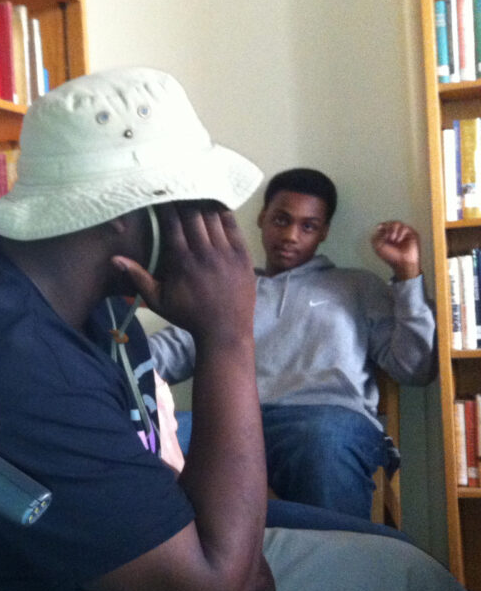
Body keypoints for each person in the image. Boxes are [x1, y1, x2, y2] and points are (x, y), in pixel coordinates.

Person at [0, 67, 480, 591]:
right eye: (200, 202)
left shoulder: (97, 304)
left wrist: (227, 557)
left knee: (406, 580)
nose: (221, 224)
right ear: (133, 216)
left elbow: (177, 510)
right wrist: (227, 335)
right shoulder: (11, 352)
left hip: (108, 565)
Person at [149, 168, 436, 519]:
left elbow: (415, 368)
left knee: (323, 440)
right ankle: (198, 562)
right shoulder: (226, 291)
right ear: (261, 218)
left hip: (325, 419)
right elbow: (159, 356)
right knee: (149, 435)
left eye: (308, 226)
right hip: (231, 422)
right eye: (281, 220)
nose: (290, 235)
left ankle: (329, 557)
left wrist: (407, 275)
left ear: (324, 232)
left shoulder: (357, 286)